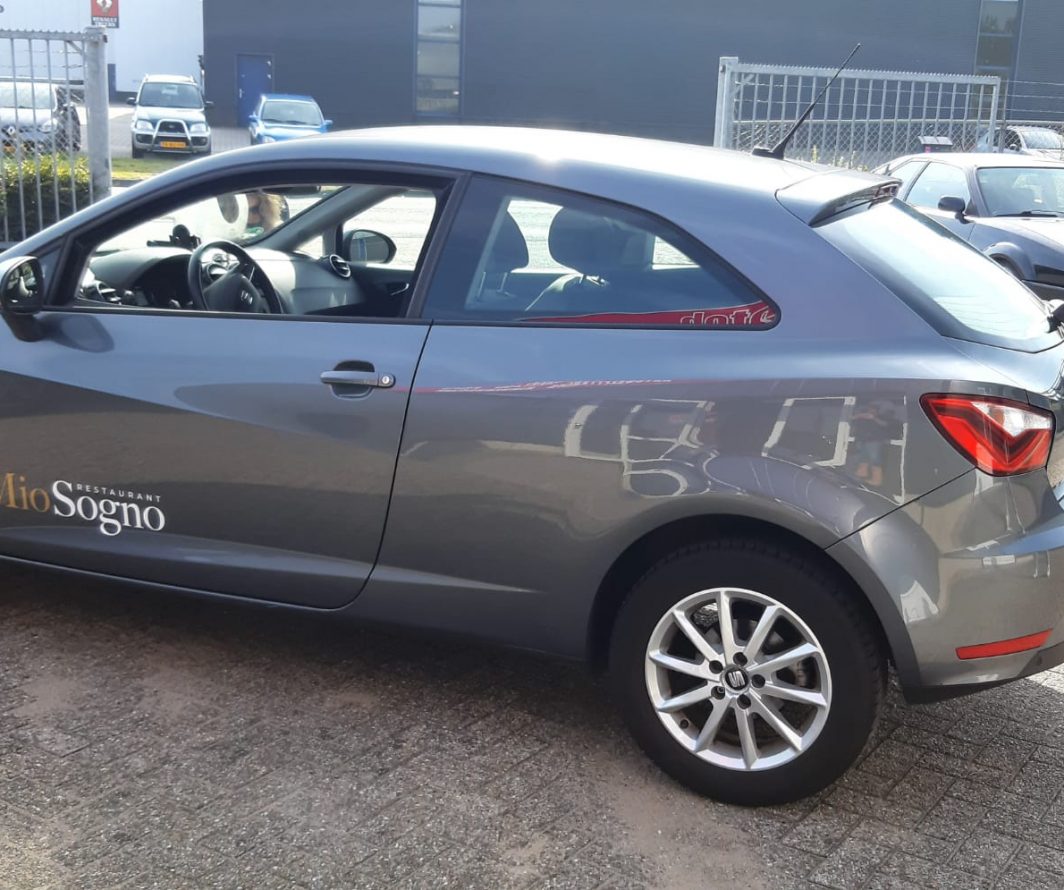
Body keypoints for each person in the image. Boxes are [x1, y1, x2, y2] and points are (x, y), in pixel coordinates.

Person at [215, 190, 287, 238]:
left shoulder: (277, 232)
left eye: (254, 210)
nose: (247, 216)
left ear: (266, 210)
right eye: (241, 210)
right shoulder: (220, 234)